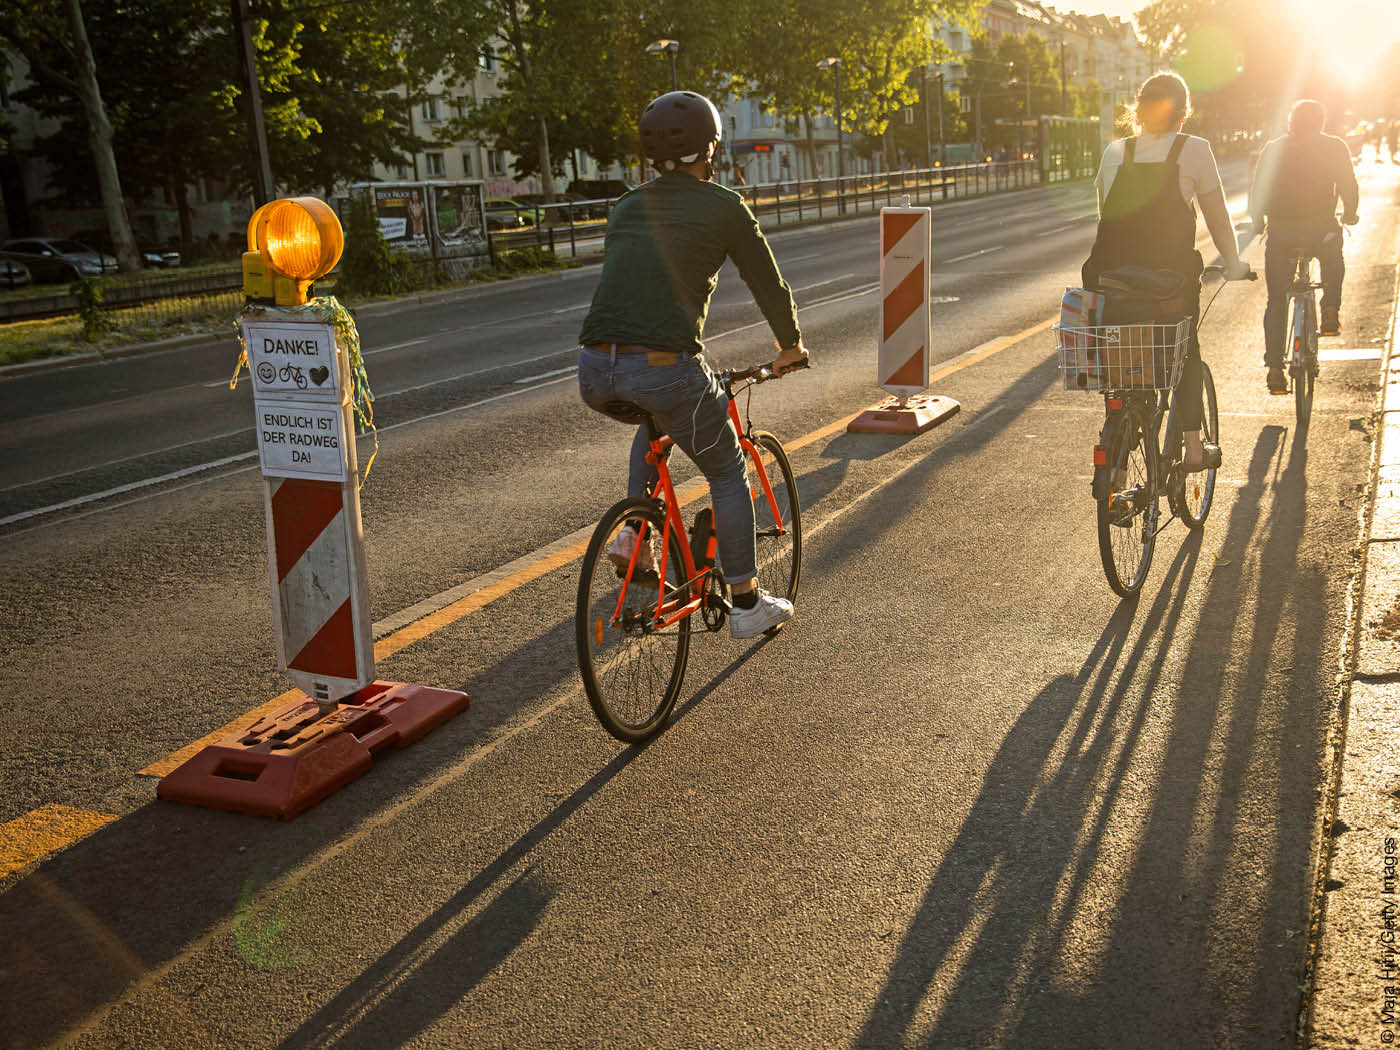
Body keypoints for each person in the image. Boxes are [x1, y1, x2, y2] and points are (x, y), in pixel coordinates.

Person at [577, 91, 809, 639]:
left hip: (592, 367)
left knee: (652, 416)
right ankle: (748, 603)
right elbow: (766, 282)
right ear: (712, 147)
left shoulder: (627, 205)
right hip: (663, 365)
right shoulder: (725, 205)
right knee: (728, 473)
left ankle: (635, 531)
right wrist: (791, 346)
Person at [1082, 71, 1251, 472]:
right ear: (1183, 113)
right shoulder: (1193, 150)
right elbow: (1218, 218)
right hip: (1168, 283)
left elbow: (1107, 218)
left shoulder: (1115, 152)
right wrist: (1233, 263)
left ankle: (1118, 461)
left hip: (1112, 279)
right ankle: (1194, 449)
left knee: (1121, 357)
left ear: (1138, 111)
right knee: (1185, 352)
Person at [1250, 99, 1359, 392]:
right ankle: (1330, 309)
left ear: (1291, 122)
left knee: (1276, 300)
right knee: (1333, 260)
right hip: (1321, 231)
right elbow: (1348, 184)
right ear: (1321, 122)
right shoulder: (1335, 146)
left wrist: (1258, 220)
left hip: (1283, 235)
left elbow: (1258, 187)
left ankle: (1275, 367)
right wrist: (1350, 213)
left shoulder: (1274, 148)